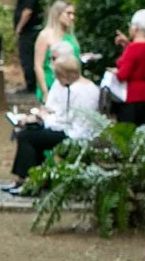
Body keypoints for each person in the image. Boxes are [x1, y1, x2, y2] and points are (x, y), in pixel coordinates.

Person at [6, 50, 104, 190]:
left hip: (75, 135)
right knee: (33, 132)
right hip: (76, 131)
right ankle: (32, 179)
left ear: (65, 75)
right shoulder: (87, 86)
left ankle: (28, 180)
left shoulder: (75, 90)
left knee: (26, 136)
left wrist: (44, 118)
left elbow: (65, 121)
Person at [111, 9, 145, 125]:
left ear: (135, 28)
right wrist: (127, 45)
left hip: (133, 96)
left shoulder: (132, 49)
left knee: (128, 135)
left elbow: (123, 75)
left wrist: (115, 72)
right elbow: (140, 59)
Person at [31, 0, 80, 102]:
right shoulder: (45, 35)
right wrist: (45, 91)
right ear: (58, 14)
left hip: (72, 85)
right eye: (68, 13)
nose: (72, 17)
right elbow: (38, 65)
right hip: (51, 83)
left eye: (73, 14)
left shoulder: (70, 36)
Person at [11, 0, 46, 98]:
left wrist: (19, 27)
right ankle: (30, 83)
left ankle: (31, 85)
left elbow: (27, 11)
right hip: (30, 29)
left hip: (29, 30)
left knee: (27, 56)